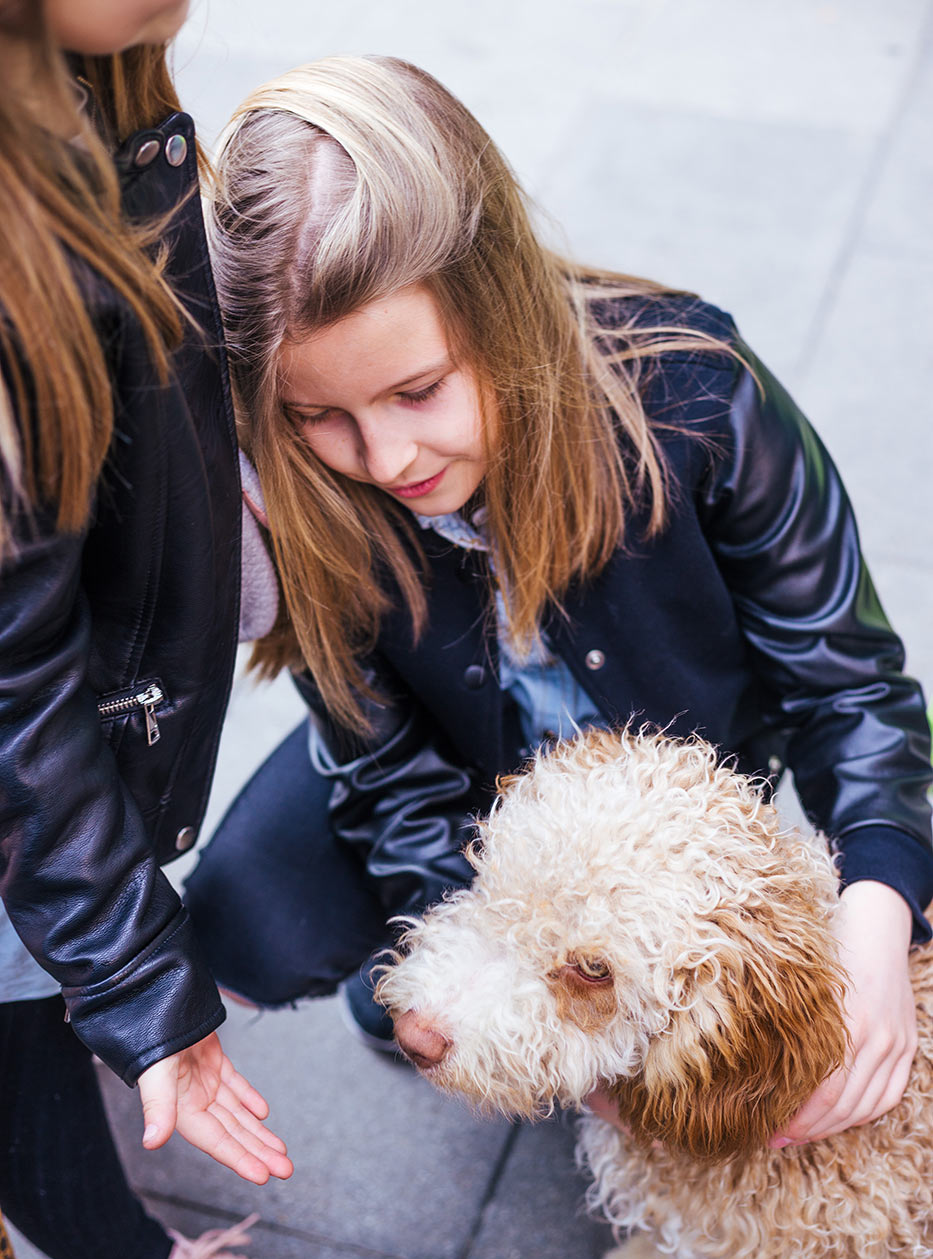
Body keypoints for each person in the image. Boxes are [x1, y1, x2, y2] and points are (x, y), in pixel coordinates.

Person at [186, 53, 933, 1157]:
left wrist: (877, 920)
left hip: (665, 792)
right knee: (247, 916)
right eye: (318, 415)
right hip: (465, 772)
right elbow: (390, 772)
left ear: (500, 305)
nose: (384, 457)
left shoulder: (700, 397)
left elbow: (851, 688)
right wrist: (489, 986)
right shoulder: (308, 497)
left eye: (418, 390)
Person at [0, 3, 369, 1259]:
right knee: (20, 1002)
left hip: (74, 721)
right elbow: (12, 705)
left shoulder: (89, 84)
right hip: (25, 780)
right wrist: (141, 991)